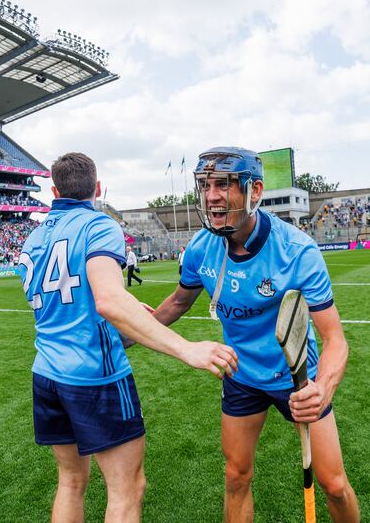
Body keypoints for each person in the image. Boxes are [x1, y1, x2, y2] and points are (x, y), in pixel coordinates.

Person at [18, 152, 238, 523]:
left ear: (54, 190)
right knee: (126, 490)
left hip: (47, 373)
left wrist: (128, 305)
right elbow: (107, 301)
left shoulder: (35, 236)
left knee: (70, 483)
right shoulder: (98, 225)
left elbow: (68, 298)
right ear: (98, 188)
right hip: (94, 376)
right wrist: (187, 349)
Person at [153, 147, 359, 522]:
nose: (211, 195)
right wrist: (127, 335)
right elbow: (176, 305)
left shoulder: (297, 251)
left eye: (224, 184)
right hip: (242, 377)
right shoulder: (202, 248)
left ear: (255, 191)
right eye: (205, 185)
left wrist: (321, 390)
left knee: (334, 484)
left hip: (296, 378)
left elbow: (335, 339)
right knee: (236, 476)